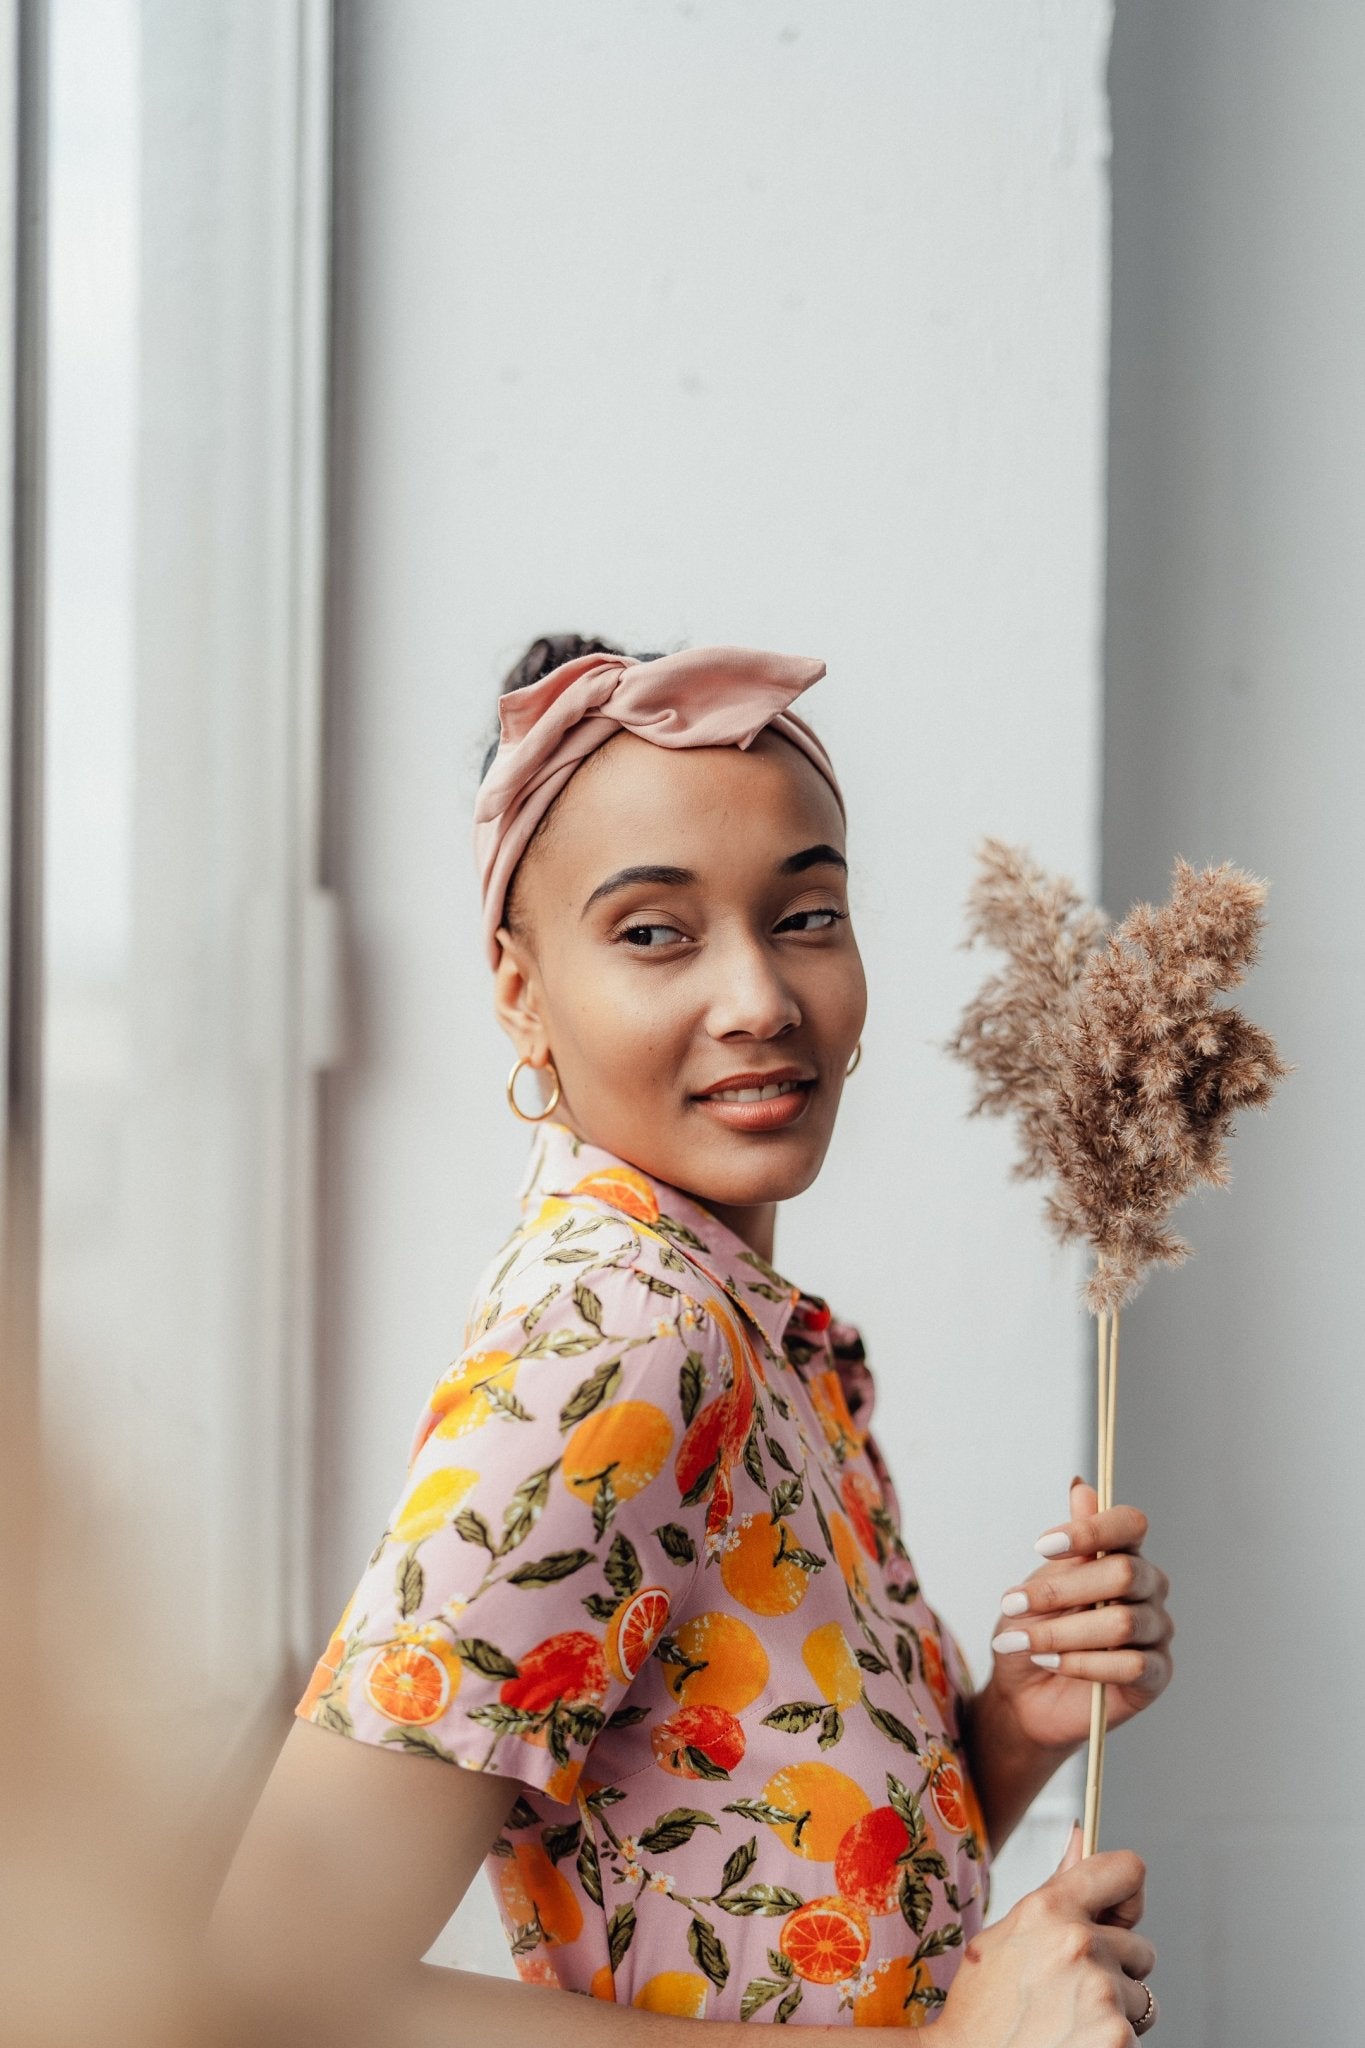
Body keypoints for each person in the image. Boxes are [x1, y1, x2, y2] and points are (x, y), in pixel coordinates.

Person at [209, 638, 1173, 2043]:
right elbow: (267, 1997)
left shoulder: (753, 1330)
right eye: (654, 931)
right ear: (518, 989)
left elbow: (770, 1885)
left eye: (805, 916)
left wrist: (1008, 1734)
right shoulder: (620, 1340)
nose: (760, 1001)